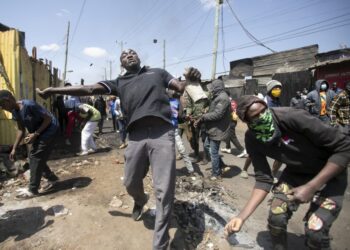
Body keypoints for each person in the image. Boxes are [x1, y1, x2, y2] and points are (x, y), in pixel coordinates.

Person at [36, 49, 194, 250]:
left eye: (133, 52)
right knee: (129, 181)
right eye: (124, 54)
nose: (129, 54)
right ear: (121, 63)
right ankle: (140, 199)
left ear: (138, 57)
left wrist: (189, 80)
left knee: (164, 190)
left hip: (162, 133)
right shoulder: (118, 83)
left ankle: (160, 244)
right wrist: (55, 90)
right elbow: (88, 89)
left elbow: (179, 86)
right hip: (135, 136)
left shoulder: (157, 73)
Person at [225, 95, 350, 250]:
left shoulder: (292, 117)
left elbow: (344, 148)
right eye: (255, 116)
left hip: (329, 171)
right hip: (297, 172)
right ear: (247, 122)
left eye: (264, 110)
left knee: (315, 230)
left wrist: (311, 187)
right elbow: (263, 179)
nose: (263, 116)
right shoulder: (252, 139)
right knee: (276, 217)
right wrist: (241, 217)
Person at [0, 90, 59, 199]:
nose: (2, 108)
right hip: (39, 132)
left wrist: (35, 134)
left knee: (35, 156)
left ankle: (33, 190)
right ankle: (52, 178)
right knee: (34, 157)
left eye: (2, 105)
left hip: (51, 129)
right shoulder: (15, 111)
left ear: (8, 100)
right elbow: (21, 130)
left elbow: (48, 119)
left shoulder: (29, 105)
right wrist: (14, 148)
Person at [194, 79, 231, 180]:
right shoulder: (218, 96)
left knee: (213, 152)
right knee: (207, 146)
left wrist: (204, 116)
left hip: (218, 129)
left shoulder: (223, 98)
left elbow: (217, 114)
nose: (211, 90)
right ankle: (221, 166)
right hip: (212, 129)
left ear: (217, 87)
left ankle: (216, 174)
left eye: (213, 88)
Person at [168, 90, 194, 174]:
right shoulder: (173, 101)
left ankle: (191, 171)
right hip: (168, 131)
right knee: (177, 151)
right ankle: (190, 171)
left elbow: (180, 116)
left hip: (171, 130)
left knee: (179, 151)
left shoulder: (175, 101)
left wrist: (186, 117)